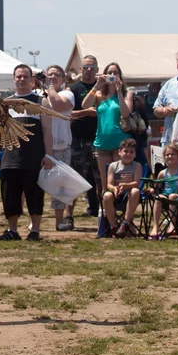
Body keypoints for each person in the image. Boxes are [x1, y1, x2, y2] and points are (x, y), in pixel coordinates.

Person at [0, 64, 54, 241]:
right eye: (18, 76)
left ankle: (35, 230)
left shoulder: (41, 101)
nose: (21, 79)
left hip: (33, 157)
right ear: (14, 79)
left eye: (25, 76)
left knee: (34, 194)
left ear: (31, 79)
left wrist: (48, 155)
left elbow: (48, 131)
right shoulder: (5, 103)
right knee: (9, 195)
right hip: (10, 158)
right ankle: (13, 230)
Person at [61, 55, 100, 230]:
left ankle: (103, 214)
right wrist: (87, 113)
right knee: (75, 179)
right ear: (81, 69)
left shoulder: (103, 88)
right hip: (79, 140)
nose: (89, 70)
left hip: (100, 139)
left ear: (97, 70)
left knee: (101, 180)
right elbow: (68, 114)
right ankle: (68, 216)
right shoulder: (74, 89)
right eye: (86, 67)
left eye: (92, 67)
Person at [82, 62, 132, 192]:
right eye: (109, 73)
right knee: (104, 181)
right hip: (102, 143)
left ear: (120, 75)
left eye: (115, 73)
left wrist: (119, 91)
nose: (112, 75)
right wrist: (97, 85)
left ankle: (119, 208)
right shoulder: (99, 95)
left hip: (120, 143)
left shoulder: (127, 93)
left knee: (119, 180)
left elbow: (126, 113)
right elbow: (84, 105)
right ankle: (105, 208)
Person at [43, 65, 75, 230]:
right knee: (38, 182)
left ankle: (58, 221)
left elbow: (58, 105)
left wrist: (48, 86)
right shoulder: (41, 95)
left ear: (63, 79)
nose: (53, 77)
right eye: (50, 74)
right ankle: (35, 220)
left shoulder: (67, 94)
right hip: (42, 145)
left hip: (61, 145)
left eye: (56, 75)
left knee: (60, 184)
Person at [101, 138, 142, 238]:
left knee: (136, 191)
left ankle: (125, 223)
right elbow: (109, 184)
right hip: (116, 193)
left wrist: (125, 185)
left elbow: (136, 183)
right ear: (119, 152)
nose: (128, 154)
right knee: (106, 195)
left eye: (131, 152)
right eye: (126, 151)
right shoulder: (113, 166)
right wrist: (114, 189)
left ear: (135, 154)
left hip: (130, 194)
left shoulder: (137, 166)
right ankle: (113, 226)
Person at [146, 143, 178, 240]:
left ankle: (172, 225)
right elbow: (157, 187)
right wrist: (151, 190)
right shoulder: (163, 173)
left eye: (172, 154)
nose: (169, 156)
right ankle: (155, 227)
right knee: (159, 197)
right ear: (164, 157)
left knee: (172, 196)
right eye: (167, 155)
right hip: (165, 194)